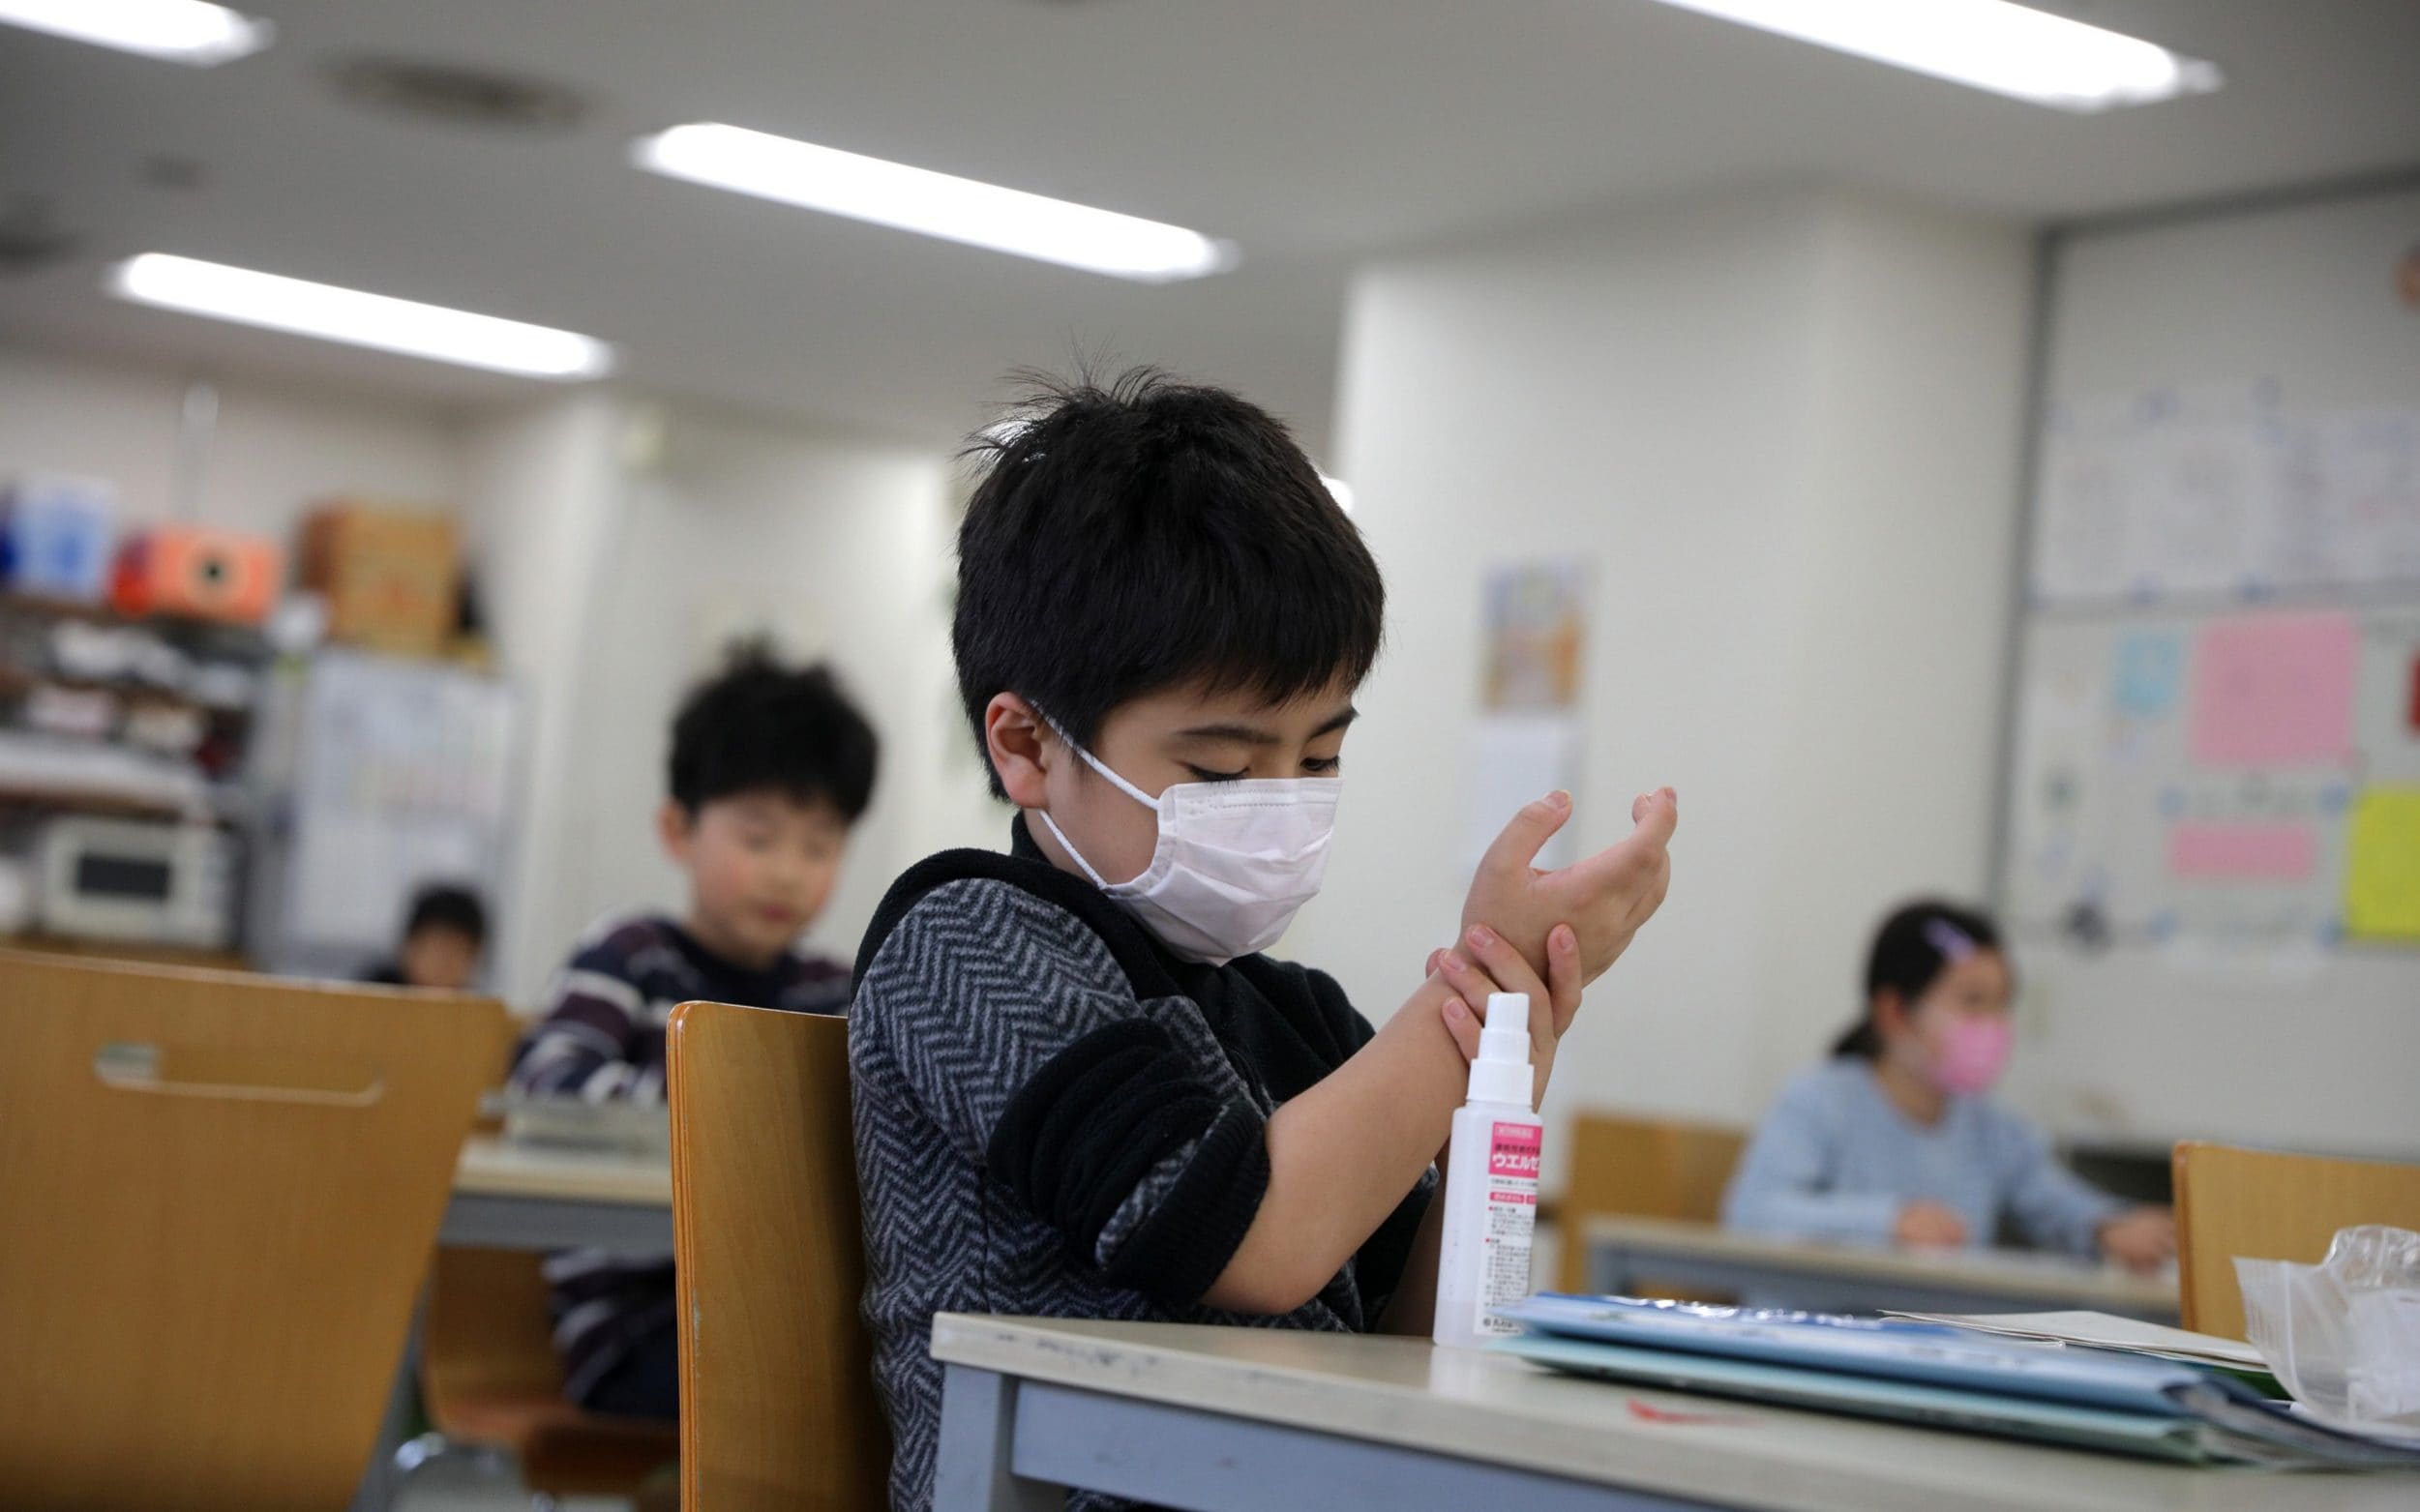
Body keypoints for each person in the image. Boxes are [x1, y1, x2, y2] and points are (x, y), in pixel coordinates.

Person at [848, 369, 1679, 1510]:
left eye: (1320, 757)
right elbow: (1249, 1240)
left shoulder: (1298, 1017)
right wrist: (1465, 1002)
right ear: (1027, 745)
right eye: (1224, 769)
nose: (1282, 801)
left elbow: (1406, 1348)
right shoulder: (968, 944)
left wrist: (1499, 1054)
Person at [509, 645, 879, 1420]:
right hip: (634, 1324)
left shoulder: (836, 992)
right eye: (758, 838)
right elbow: (549, 1086)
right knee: (810, 1393)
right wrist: (748, 1112)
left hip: (782, 1306)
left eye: (818, 845)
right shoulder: (629, 957)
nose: (787, 871)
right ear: (678, 830)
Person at [1722, 899, 2174, 1271]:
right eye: (1973, 1001)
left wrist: (2110, 1228)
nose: (1993, 1024)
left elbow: (2059, 1205)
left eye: (2002, 1004)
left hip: (1940, 1341)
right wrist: (1889, 1222)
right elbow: (1752, 1214)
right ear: (1895, 1012)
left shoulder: (1992, 1127)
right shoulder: (1820, 1100)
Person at [361, 882, 488, 992]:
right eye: (437, 950)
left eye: (456, 953)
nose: (443, 966)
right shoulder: (371, 994)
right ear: (409, 947)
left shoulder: (477, 1007)